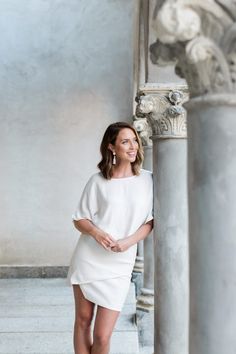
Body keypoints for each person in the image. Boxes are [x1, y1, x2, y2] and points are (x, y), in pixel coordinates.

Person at [67, 121, 153, 354]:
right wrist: (96, 232)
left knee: (102, 336)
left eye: (135, 140)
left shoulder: (148, 179)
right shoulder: (98, 181)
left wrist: (128, 241)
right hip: (89, 259)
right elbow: (79, 218)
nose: (133, 146)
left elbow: (151, 222)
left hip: (120, 263)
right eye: (125, 141)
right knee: (83, 321)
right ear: (112, 147)